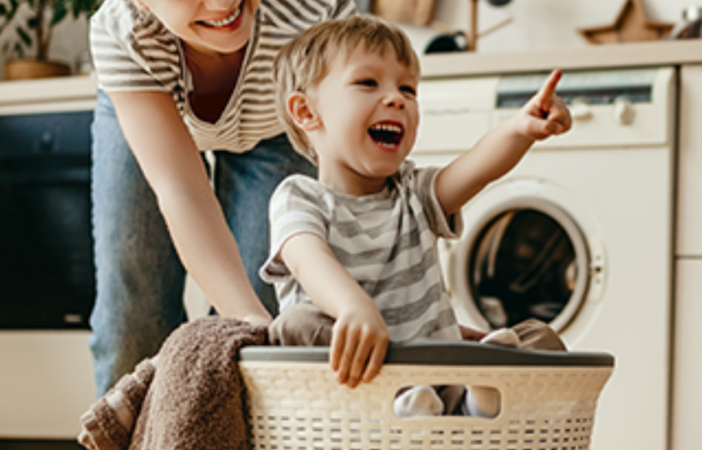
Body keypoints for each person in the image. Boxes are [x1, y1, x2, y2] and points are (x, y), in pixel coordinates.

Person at [260, 15, 572, 417]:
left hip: (441, 370)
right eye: (368, 83)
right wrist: (354, 308)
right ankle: (410, 403)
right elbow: (308, 259)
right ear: (306, 111)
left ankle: (478, 401)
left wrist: (520, 129)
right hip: (357, 382)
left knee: (539, 337)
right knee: (293, 326)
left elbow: (476, 167)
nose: (397, 99)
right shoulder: (298, 197)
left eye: (407, 88)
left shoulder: (414, 193)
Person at [87, 0, 356, 396]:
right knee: (130, 317)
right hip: (151, 101)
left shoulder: (314, 7)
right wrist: (247, 317)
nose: (223, 3)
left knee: (259, 302)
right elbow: (182, 191)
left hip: (278, 129)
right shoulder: (122, 32)